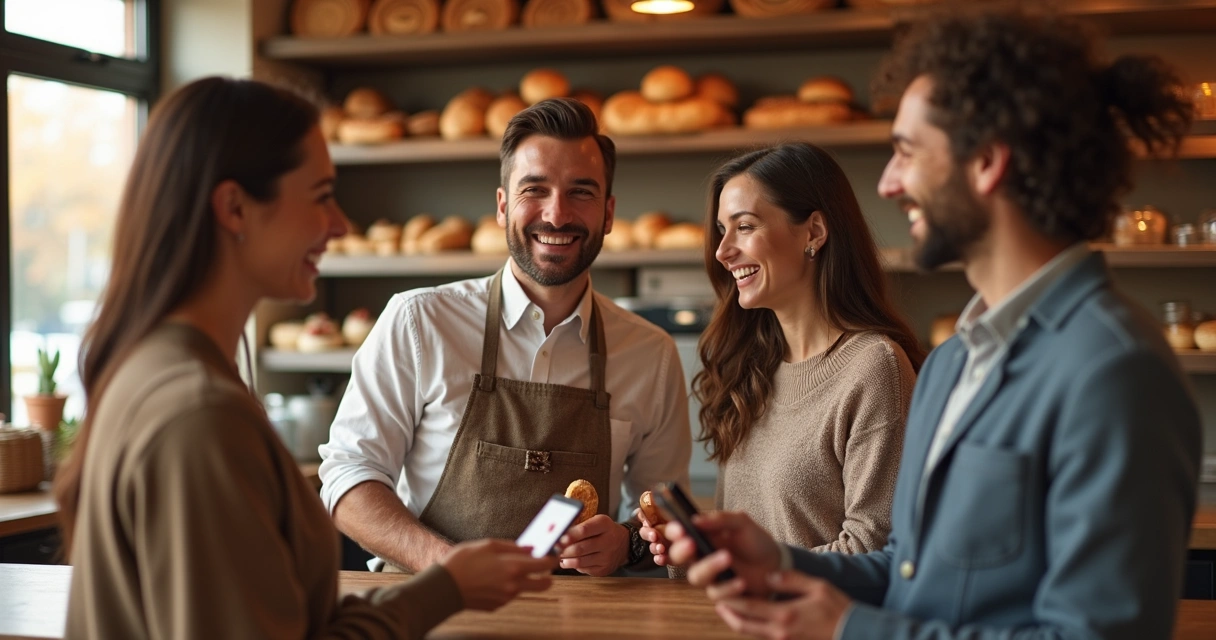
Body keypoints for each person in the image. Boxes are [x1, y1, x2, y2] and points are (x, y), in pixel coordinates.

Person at [665, 11, 1201, 639]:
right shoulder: (951, 364)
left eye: (907, 153)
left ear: (986, 163)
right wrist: (779, 561)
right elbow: (913, 573)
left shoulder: (1114, 370)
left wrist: (849, 630)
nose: (889, 183)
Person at [53, 77, 557, 639]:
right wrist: (446, 587)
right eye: (320, 197)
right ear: (235, 208)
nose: (339, 225)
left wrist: (449, 587)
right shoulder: (199, 415)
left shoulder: (150, 371)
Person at [319, 97, 692, 576]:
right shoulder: (419, 322)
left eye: (581, 192)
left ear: (609, 212)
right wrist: (447, 566)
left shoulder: (650, 354)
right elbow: (348, 475)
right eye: (534, 190)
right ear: (501, 206)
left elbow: (666, 517)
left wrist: (627, 544)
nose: (557, 215)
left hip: (578, 624)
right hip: (431, 609)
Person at [642, 142, 922, 560]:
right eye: (722, 230)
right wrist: (694, 549)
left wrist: (753, 565)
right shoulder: (749, 366)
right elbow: (736, 552)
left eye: (746, 226)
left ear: (814, 232)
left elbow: (874, 553)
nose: (722, 251)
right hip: (738, 622)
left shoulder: (874, 368)